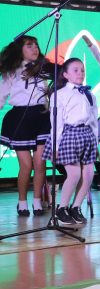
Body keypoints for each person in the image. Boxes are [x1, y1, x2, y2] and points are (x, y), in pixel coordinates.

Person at [0, 35, 54, 217]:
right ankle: (22, 201)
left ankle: (37, 200)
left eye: (36, 45)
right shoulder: (12, 71)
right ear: (20, 50)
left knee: (40, 164)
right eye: (29, 46)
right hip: (20, 118)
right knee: (26, 165)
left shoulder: (43, 68)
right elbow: (1, 96)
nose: (34, 48)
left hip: (42, 117)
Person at [42, 58, 98, 226]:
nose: (80, 73)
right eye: (75, 70)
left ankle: (76, 207)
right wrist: (56, 145)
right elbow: (56, 122)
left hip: (87, 135)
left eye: (82, 70)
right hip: (69, 135)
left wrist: (95, 140)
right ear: (65, 74)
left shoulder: (89, 94)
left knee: (88, 175)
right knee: (74, 174)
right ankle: (61, 208)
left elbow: (94, 120)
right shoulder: (59, 94)